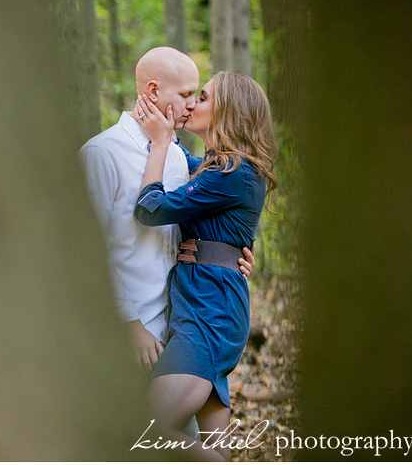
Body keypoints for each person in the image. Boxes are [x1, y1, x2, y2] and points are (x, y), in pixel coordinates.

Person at [78, 47, 254, 438]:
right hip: (130, 334)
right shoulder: (101, 155)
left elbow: (208, 209)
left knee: (167, 442)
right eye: (186, 95)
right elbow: (87, 252)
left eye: (198, 96)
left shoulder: (175, 156)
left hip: (181, 326)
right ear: (153, 91)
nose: (192, 105)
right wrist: (129, 324)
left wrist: (229, 253)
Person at [132, 71, 277, 460]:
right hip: (205, 303)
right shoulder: (217, 169)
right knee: (216, 448)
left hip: (210, 312)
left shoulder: (232, 172)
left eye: (203, 97)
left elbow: (151, 209)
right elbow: (189, 175)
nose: (192, 103)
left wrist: (161, 141)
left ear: (228, 110)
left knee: (146, 433)